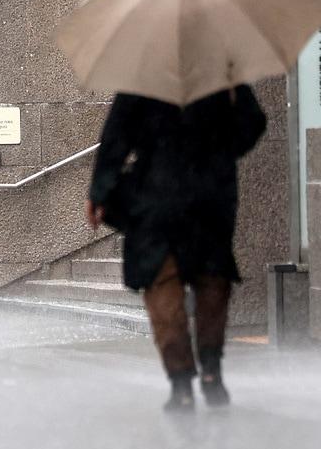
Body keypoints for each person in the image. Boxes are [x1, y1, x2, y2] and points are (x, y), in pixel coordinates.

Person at [88, 85, 266, 412]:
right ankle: (211, 370)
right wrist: (220, 152)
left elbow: (117, 134)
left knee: (162, 284)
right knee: (211, 279)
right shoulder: (218, 74)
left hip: (157, 199)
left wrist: (100, 191)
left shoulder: (145, 76)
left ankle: (182, 383)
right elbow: (253, 122)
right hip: (210, 196)